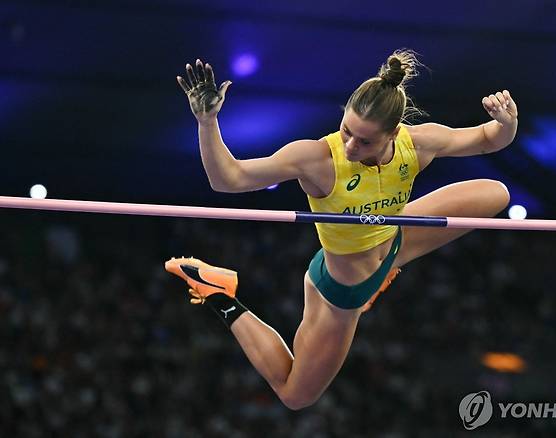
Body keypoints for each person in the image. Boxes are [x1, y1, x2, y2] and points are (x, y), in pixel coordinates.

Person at [165, 50, 517, 410]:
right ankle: (220, 294)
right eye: (346, 131)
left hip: (395, 241)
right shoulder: (317, 159)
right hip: (342, 290)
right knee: (295, 395)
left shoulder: (417, 143)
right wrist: (207, 123)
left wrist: (506, 123)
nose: (350, 146)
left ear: (393, 133)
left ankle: (388, 265)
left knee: (496, 194)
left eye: (364, 141)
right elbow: (228, 179)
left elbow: (489, 139)